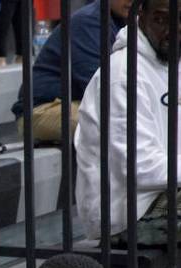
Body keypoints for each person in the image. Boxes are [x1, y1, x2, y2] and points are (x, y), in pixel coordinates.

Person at [77, 0, 181, 244]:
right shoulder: (122, 75)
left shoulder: (171, 65)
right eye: (161, 19)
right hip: (130, 213)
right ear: (140, 16)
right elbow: (140, 168)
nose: (173, 30)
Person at [13, 0, 130, 142]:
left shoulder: (128, 21)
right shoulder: (88, 22)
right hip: (43, 109)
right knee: (120, 123)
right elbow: (100, 85)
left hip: (79, 102)